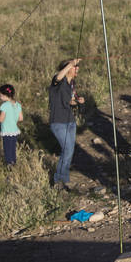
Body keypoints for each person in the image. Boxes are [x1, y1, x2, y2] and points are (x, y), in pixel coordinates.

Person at [49, 57, 85, 190]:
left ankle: (63, 179)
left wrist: (78, 101)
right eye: (75, 67)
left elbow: (69, 102)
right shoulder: (58, 81)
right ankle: (58, 181)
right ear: (68, 68)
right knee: (67, 149)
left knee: (69, 151)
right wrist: (70, 64)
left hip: (70, 121)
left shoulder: (71, 84)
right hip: (58, 122)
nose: (77, 69)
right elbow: (58, 77)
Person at [0, 83, 22, 166]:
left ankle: (9, 167)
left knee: (7, 150)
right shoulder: (18, 105)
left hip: (7, 131)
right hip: (14, 131)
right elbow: (20, 118)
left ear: (5, 95)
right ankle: (13, 164)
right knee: (12, 150)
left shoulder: (4, 106)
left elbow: (0, 119)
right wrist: (12, 119)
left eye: (0, 95)